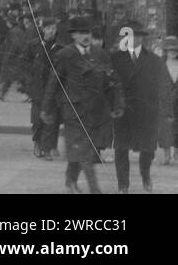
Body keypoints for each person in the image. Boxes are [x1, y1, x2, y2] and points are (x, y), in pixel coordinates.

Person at [41, 15, 124, 194]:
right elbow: (53, 83)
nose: (85, 36)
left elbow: (112, 80)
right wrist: (46, 109)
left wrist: (117, 104)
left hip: (95, 111)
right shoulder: (64, 55)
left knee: (80, 149)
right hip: (73, 110)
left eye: (87, 32)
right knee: (85, 152)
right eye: (80, 33)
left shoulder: (100, 53)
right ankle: (95, 190)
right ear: (73, 36)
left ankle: (70, 180)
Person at [109, 21, 169, 193]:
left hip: (147, 113)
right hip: (122, 112)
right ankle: (123, 186)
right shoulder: (115, 59)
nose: (133, 39)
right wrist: (110, 107)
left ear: (142, 38)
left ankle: (145, 174)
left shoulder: (154, 61)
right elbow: (107, 86)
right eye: (130, 35)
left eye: (137, 36)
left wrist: (163, 110)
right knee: (121, 150)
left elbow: (163, 87)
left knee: (147, 150)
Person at [26, 17, 63, 159]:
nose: (51, 31)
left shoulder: (59, 47)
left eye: (54, 28)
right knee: (37, 119)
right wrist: (29, 80)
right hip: (37, 88)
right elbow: (24, 63)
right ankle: (37, 143)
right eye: (48, 28)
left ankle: (49, 147)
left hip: (53, 88)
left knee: (52, 119)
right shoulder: (34, 45)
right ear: (43, 29)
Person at [160, 35, 178, 165]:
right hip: (164, 101)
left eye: (175, 50)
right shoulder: (160, 65)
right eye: (170, 50)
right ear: (165, 51)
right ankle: (166, 154)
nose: (173, 52)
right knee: (164, 128)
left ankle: (176, 153)